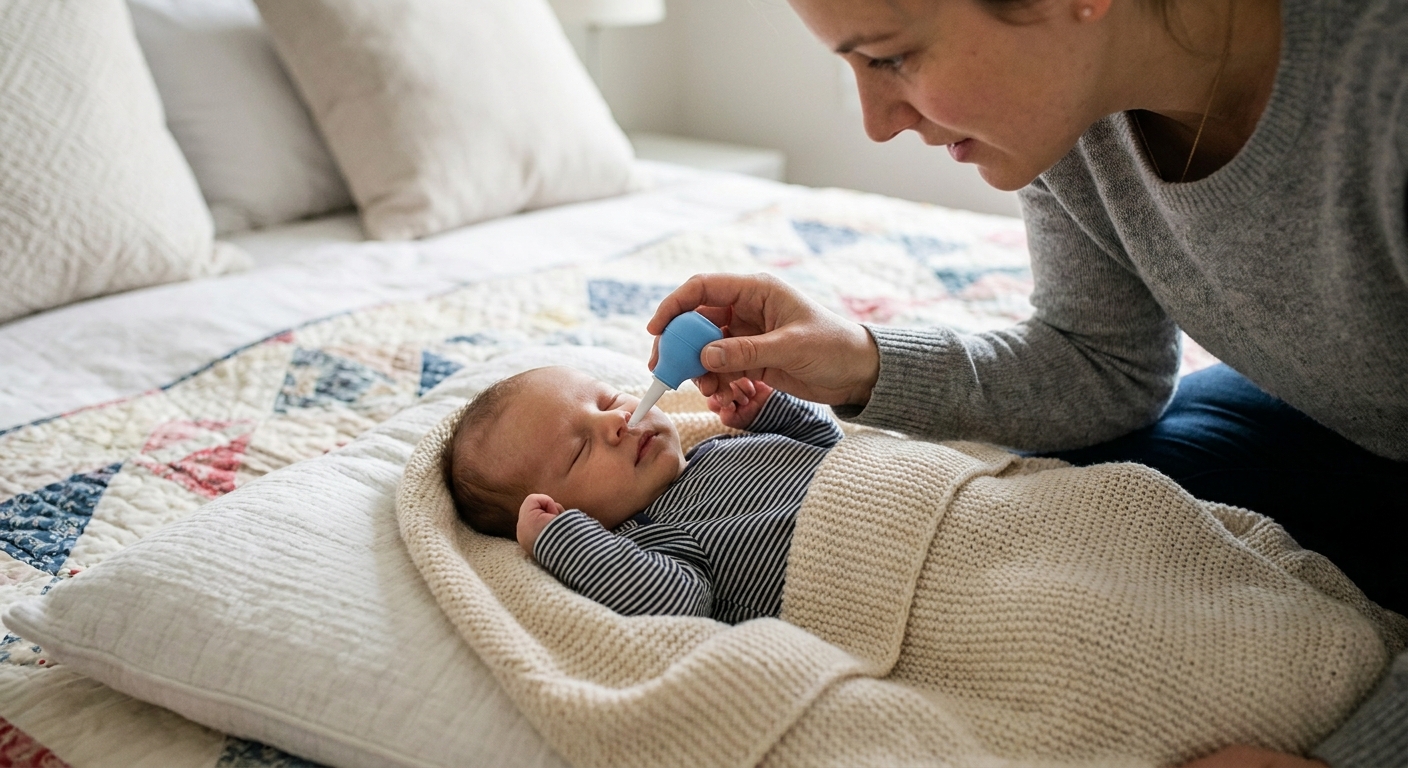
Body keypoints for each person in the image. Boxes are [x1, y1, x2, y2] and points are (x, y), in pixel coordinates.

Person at [644, 0, 1406, 764]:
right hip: (1343, 426)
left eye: (888, 57)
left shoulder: (1383, 75)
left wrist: (1359, 753)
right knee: (1066, 496)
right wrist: (860, 359)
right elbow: (1103, 363)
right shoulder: (1075, 116)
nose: (875, 124)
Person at [445, 365, 842, 623]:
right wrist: (562, 541)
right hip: (865, 571)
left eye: (608, 400)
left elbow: (830, 447)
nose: (617, 420)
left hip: (881, 481)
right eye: (579, 449)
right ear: (565, 512)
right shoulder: (652, 538)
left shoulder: (717, 448)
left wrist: (772, 412)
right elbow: (681, 605)